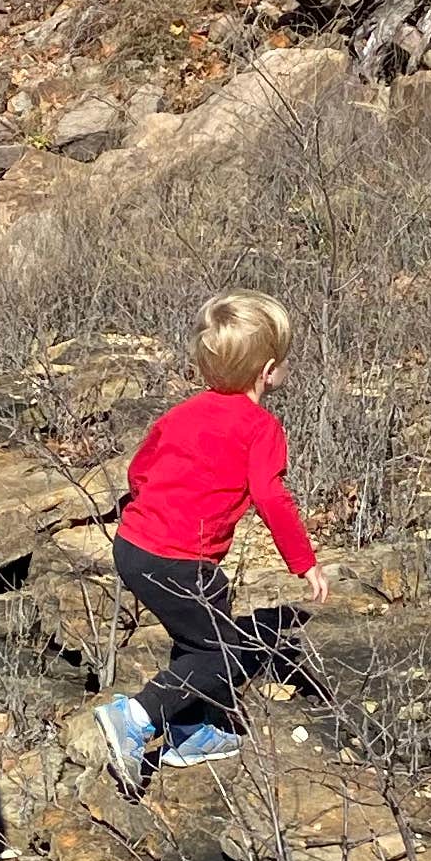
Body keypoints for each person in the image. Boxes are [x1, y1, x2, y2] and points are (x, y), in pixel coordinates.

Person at [93, 289, 328, 789]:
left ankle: (191, 730)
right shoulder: (260, 428)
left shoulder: (181, 414)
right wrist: (303, 562)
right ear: (268, 371)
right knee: (222, 649)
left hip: (134, 545)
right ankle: (137, 716)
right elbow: (271, 498)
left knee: (203, 625)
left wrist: (153, 507)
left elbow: (141, 469)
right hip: (178, 558)